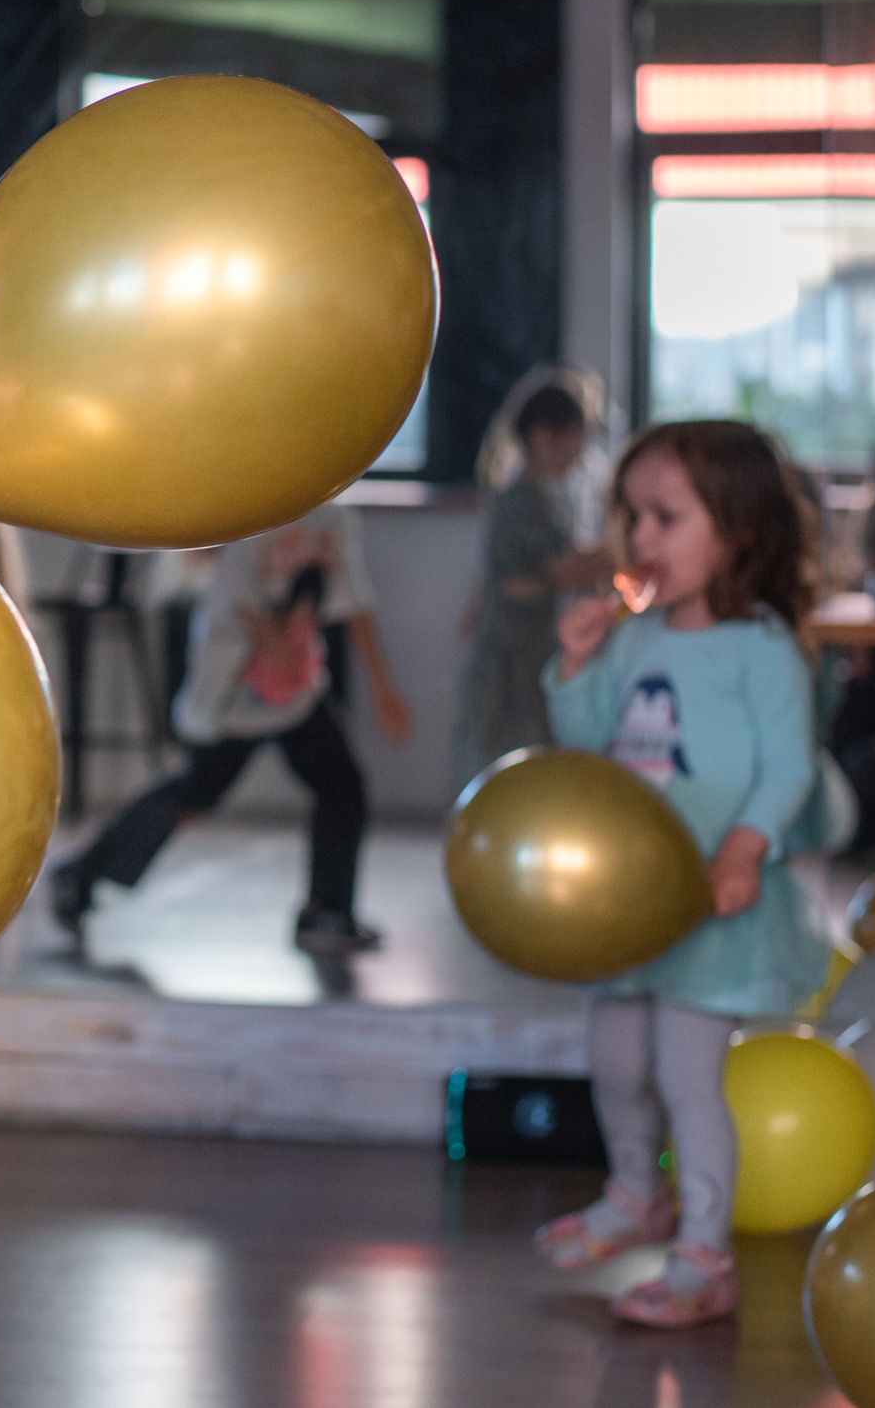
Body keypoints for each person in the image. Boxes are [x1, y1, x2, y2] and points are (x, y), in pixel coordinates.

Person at [531, 420, 826, 1328]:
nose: (641, 538)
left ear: (737, 530)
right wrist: (576, 663)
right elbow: (589, 751)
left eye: (666, 516)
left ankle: (705, 1252)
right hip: (636, 904)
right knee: (614, 1059)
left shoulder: (763, 646)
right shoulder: (634, 635)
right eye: (633, 516)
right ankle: (635, 1196)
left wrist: (744, 846)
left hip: (714, 901)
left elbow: (788, 768)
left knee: (687, 1074)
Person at [48, 503, 413, 956]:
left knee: (341, 784)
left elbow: (354, 601)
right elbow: (238, 594)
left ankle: (328, 913)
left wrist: (383, 688)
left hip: (294, 688)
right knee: (196, 793)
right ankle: (78, 876)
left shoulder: (333, 518)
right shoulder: (261, 499)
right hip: (233, 685)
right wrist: (273, 642)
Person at [452, 380, 612, 786]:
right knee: (512, 769)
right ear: (543, 436)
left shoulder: (541, 495)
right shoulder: (524, 499)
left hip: (529, 646)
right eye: (577, 439)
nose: (580, 453)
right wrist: (626, 548)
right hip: (512, 656)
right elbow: (565, 569)